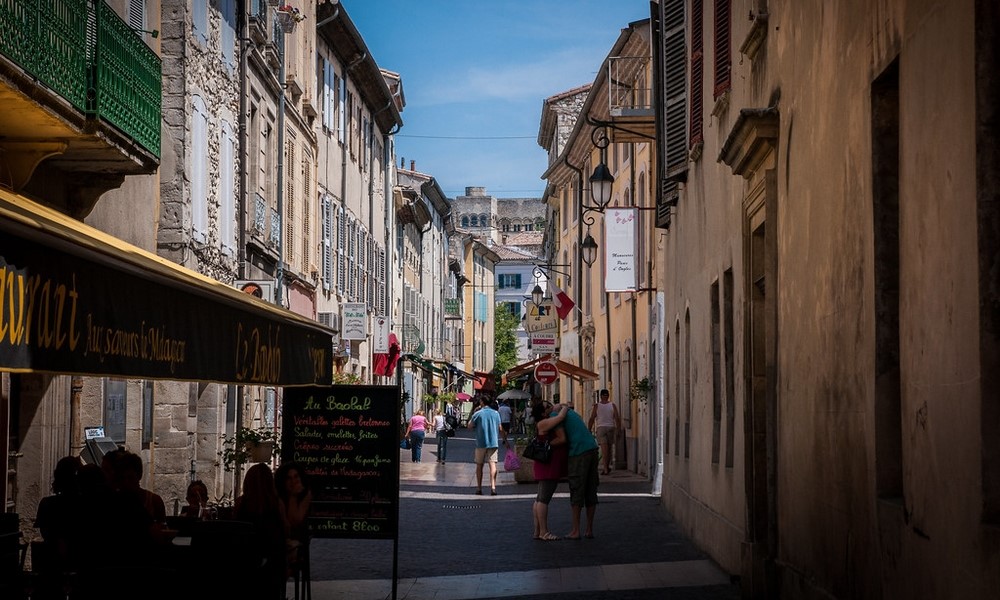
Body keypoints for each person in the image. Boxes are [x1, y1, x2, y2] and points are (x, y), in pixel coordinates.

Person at [234, 463, 286, 599]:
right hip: (271, 564)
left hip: (245, 561)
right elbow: (284, 531)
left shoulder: (240, 503)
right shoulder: (277, 504)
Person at [530, 401, 569, 541]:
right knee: (543, 500)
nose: (551, 407)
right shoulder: (543, 423)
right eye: (548, 407)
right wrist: (565, 407)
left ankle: (538, 531)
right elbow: (560, 417)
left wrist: (556, 407)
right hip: (548, 466)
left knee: (539, 498)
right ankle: (544, 532)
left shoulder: (542, 422)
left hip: (545, 465)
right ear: (543, 413)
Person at [562, 401, 601, 540]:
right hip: (592, 449)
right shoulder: (572, 413)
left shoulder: (555, 416)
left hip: (578, 452)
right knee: (591, 489)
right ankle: (589, 529)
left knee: (577, 489)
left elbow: (561, 438)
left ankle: (576, 530)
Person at [275, 461, 313, 580]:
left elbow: (295, 521)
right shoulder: (277, 497)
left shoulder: (305, 494)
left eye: (296, 477)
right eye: (289, 478)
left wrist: (293, 496)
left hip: (296, 538)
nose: (293, 481)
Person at [467, 395, 506, 495]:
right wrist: (505, 440)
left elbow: (469, 426)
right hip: (493, 443)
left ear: (482, 402)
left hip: (481, 443)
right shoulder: (496, 413)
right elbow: (500, 428)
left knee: (479, 465)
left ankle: (479, 488)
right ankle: (493, 487)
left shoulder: (478, 413)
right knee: (493, 465)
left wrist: (474, 413)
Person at [587, 388, 622, 475]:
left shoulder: (597, 406)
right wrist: (618, 429)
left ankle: (605, 468)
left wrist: (589, 429)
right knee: (609, 449)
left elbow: (592, 418)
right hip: (610, 427)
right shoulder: (612, 405)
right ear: (608, 396)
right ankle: (607, 467)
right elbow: (617, 418)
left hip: (601, 428)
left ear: (600, 396)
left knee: (604, 449)